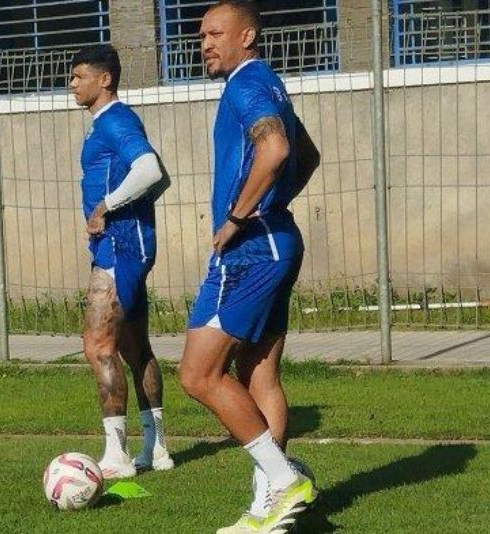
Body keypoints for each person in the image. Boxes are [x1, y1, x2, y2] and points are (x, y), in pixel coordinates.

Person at [178, 2, 321, 532]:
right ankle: (270, 502)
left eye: (215, 33)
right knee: (257, 372)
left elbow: (278, 148)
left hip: (252, 251)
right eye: (200, 36)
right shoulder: (267, 81)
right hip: (279, 241)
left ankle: (283, 481)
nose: (205, 43)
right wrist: (275, 205)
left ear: (248, 35)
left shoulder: (244, 84)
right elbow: (307, 155)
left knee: (197, 374)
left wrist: (240, 216)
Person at [70, 44, 174, 479]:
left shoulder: (117, 120)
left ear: (104, 79)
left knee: (98, 345)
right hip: (125, 244)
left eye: (78, 76)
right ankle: (158, 448)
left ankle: (117, 455)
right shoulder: (103, 126)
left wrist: (106, 208)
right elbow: (160, 178)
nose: (71, 84)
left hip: (120, 247)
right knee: (135, 349)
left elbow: (150, 171)